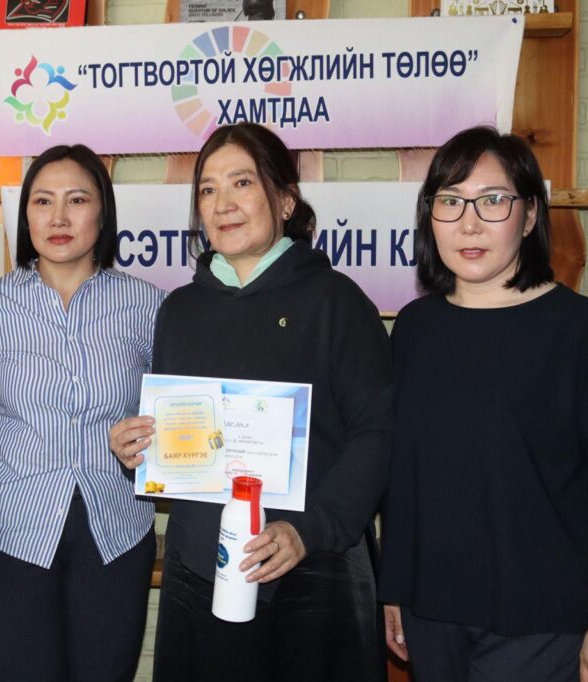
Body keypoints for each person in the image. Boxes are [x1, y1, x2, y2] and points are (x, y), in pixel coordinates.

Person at [378, 126, 588, 682]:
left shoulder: (586, 333)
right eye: (450, 201)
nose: (468, 223)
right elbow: (404, 477)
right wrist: (396, 588)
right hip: (431, 613)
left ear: (530, 215)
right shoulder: (414, 328)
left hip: (542, 621)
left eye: (492, 201)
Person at [110, 122, 394, 680]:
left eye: (242, 182)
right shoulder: (180, 311)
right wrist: (138, 451)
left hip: (314, 566)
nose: (223, 204)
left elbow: (379, 433)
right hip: (203, 565)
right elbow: (182, 442)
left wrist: (309, 530)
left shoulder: (336, 302)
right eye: (208, 189)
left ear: (286, 200)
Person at [0, 144, 165, 681]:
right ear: (25, 215)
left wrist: (150, 442)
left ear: (103, 212)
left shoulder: (148, 306)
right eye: (43, 201)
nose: (59, 217)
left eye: (77, 199)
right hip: (11, 531)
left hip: (116, 531)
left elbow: (178, 421)